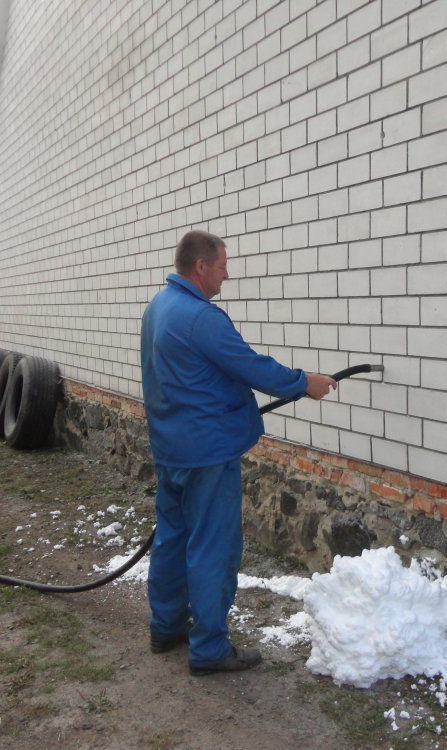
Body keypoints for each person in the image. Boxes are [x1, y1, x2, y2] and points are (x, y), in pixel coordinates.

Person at [140, 230, 337, 675]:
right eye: (223, 264)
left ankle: (166, 624)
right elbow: (248, 365)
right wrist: (305, 382)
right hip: (207, 453)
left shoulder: (157, 308)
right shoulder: (201, 318)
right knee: (213, 546)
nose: (228, 272)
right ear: (201, 267)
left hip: (170, 447)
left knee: (172, 537)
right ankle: (208, 648)